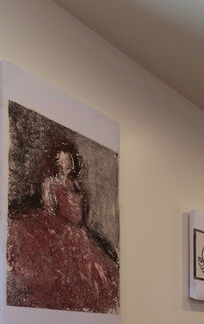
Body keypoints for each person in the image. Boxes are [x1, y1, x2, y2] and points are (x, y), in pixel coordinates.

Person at [5, 134, 119, 314]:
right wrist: (60, 228)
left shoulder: (76, 185)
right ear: (56, 161)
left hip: (78, 233)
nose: (67, 164)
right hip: (59, 228)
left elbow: (82, 216)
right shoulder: (51, 182)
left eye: (70, 159)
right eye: (63, 159)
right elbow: (49, 207)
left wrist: (78, 229)